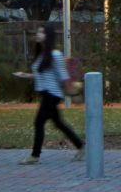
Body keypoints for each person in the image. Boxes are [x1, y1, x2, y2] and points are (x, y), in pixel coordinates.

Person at [14, 24, 82, 164]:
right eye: (38, 32)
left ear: (48, 36)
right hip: (47, 94)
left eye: (41, 32)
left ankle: (35, 156)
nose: (38, 34)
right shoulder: (41, 55)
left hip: (52, 95)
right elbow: (41, 75)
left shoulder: (55, 55)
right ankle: (81, 146)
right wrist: (25, 75)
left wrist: (74, 93)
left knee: (39, 122)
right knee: (58, 123)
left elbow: (63, 76)